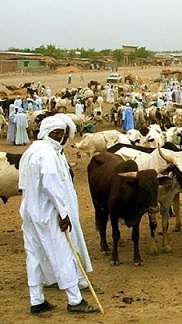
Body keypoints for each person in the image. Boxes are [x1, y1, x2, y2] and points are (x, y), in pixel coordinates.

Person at [19, 115, 96, 314]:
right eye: (56, 133)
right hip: (48, 213)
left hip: (30, 212)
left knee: (34, 255)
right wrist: (63, 214)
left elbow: (22, 185)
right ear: (47, 132)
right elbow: (52, 186)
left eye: (61, 134)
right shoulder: (48, 154)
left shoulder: (31, 150)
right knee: (63, 254)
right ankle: (75, 300)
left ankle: (37, 301)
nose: (59, 137)